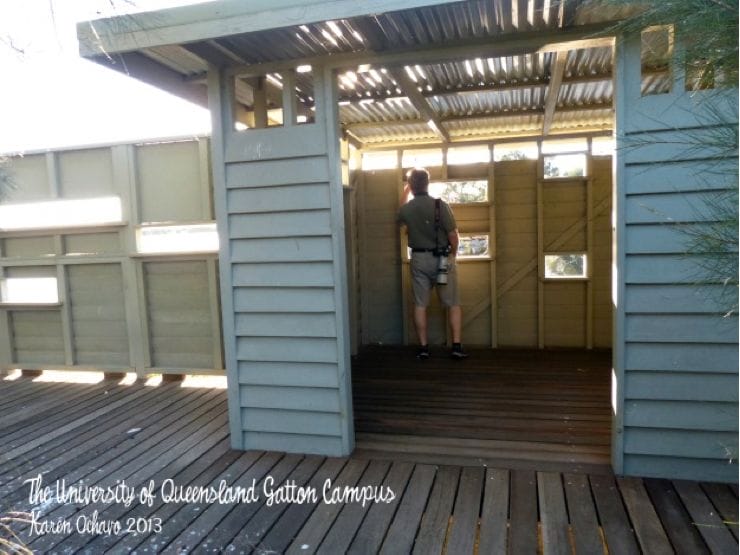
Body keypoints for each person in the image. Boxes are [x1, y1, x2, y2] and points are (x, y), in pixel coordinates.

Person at [398, 168, 468, 360]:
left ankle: (423, 348)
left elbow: (400, 212)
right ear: (428, 183)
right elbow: (453, 236)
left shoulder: (407, 209)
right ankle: (456, 346)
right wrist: (452, 256)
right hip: (442, 259)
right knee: (452, 303)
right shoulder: (440, 206)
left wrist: (406, 190)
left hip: (419, 259)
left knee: (420, 304)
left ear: (411, 186)